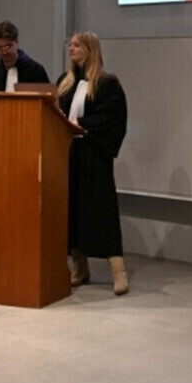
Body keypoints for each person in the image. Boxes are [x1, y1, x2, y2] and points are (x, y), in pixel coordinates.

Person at [57, 31, 129, 296]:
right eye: (70, 45)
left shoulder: (107, 84)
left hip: (94, 154)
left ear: (90, 49)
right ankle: (80, 268)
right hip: (68, 154)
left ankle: (118, 271)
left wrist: (81, 124)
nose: (71, 49)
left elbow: (111, 117)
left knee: (102, 211)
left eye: (77, 45)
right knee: (72, 210)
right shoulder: (64, 83)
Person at [0, 20, 50, 91]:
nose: (4, 52)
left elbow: (47, 97)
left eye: (8, 47)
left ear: (17, 42)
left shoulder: (36, 71)